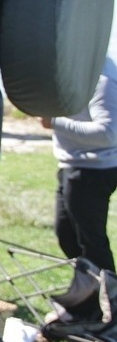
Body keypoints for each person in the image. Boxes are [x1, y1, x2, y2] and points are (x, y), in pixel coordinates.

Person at [41, 55, 117, 273]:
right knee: (67, 236)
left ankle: (107, 292)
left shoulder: (102, 79)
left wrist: (54, 122)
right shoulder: (80, 71)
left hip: (93, 170)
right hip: (73, 164)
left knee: (91, 243)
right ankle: (88, 290)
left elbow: (108, 133)